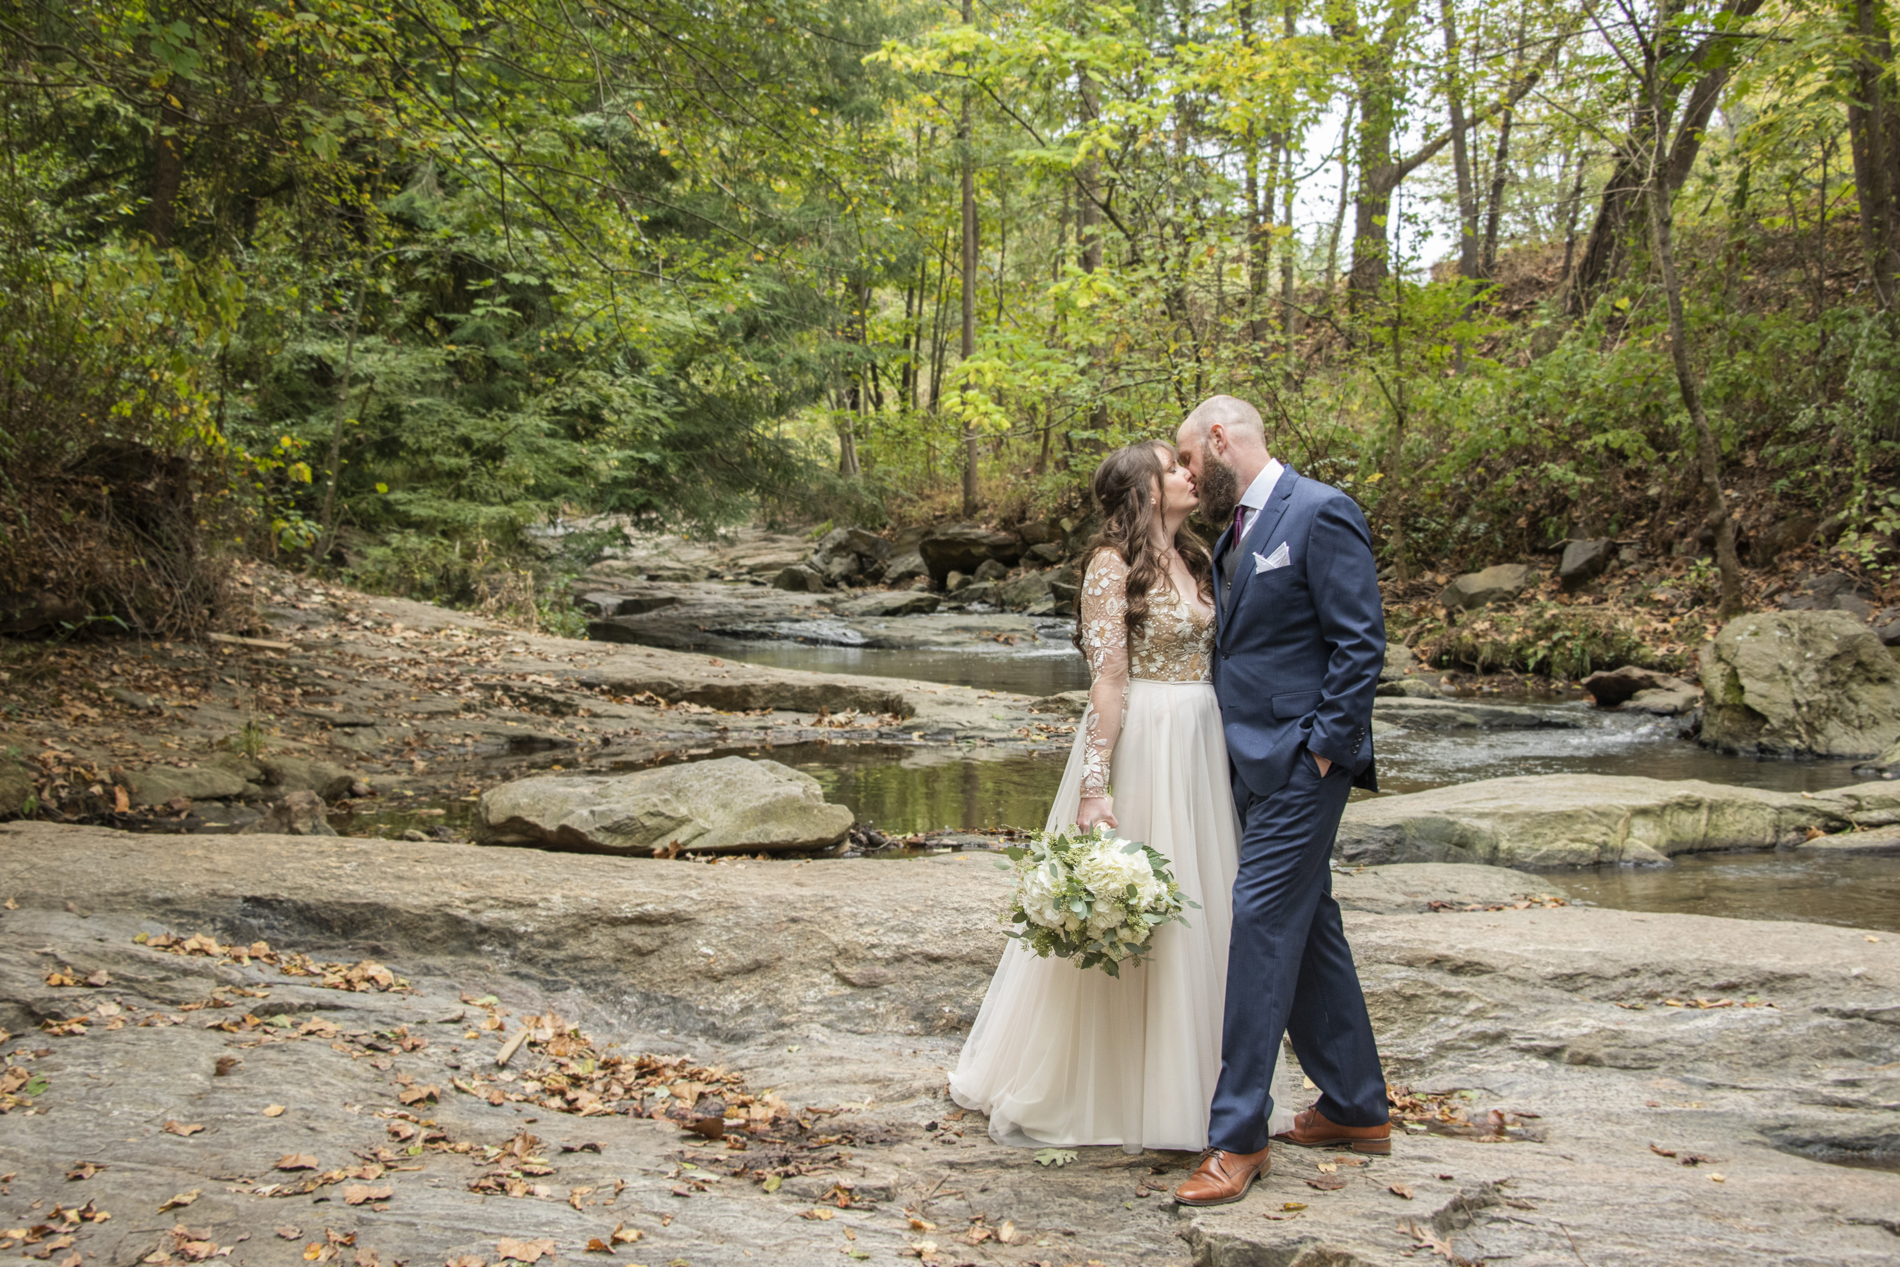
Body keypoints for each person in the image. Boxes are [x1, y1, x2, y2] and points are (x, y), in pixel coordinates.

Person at [948, 440, 1295, 1152]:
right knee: (1144, 915)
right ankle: (1108, 1091)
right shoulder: (1111, 567)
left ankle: (1203, 1088)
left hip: (1202, 744)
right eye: (1173, 467)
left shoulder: (1200, 557)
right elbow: (1108, 682)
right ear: (1142, 488)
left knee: (1206, 914)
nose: (1188, 474)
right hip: (1146, 743)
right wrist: (1093, 787)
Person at [1169, 395, 1391, 1207]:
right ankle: (1357, 1106)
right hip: (1247, 765)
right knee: (1310, 924)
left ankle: (1237, 1138)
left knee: (1259, 921)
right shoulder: (1232, 533)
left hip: (1303, 763)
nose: (1188, 474)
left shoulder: (1321, 510)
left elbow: (1360, 638)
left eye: (1191, 458)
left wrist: (1325, 749)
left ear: (1222, 439)